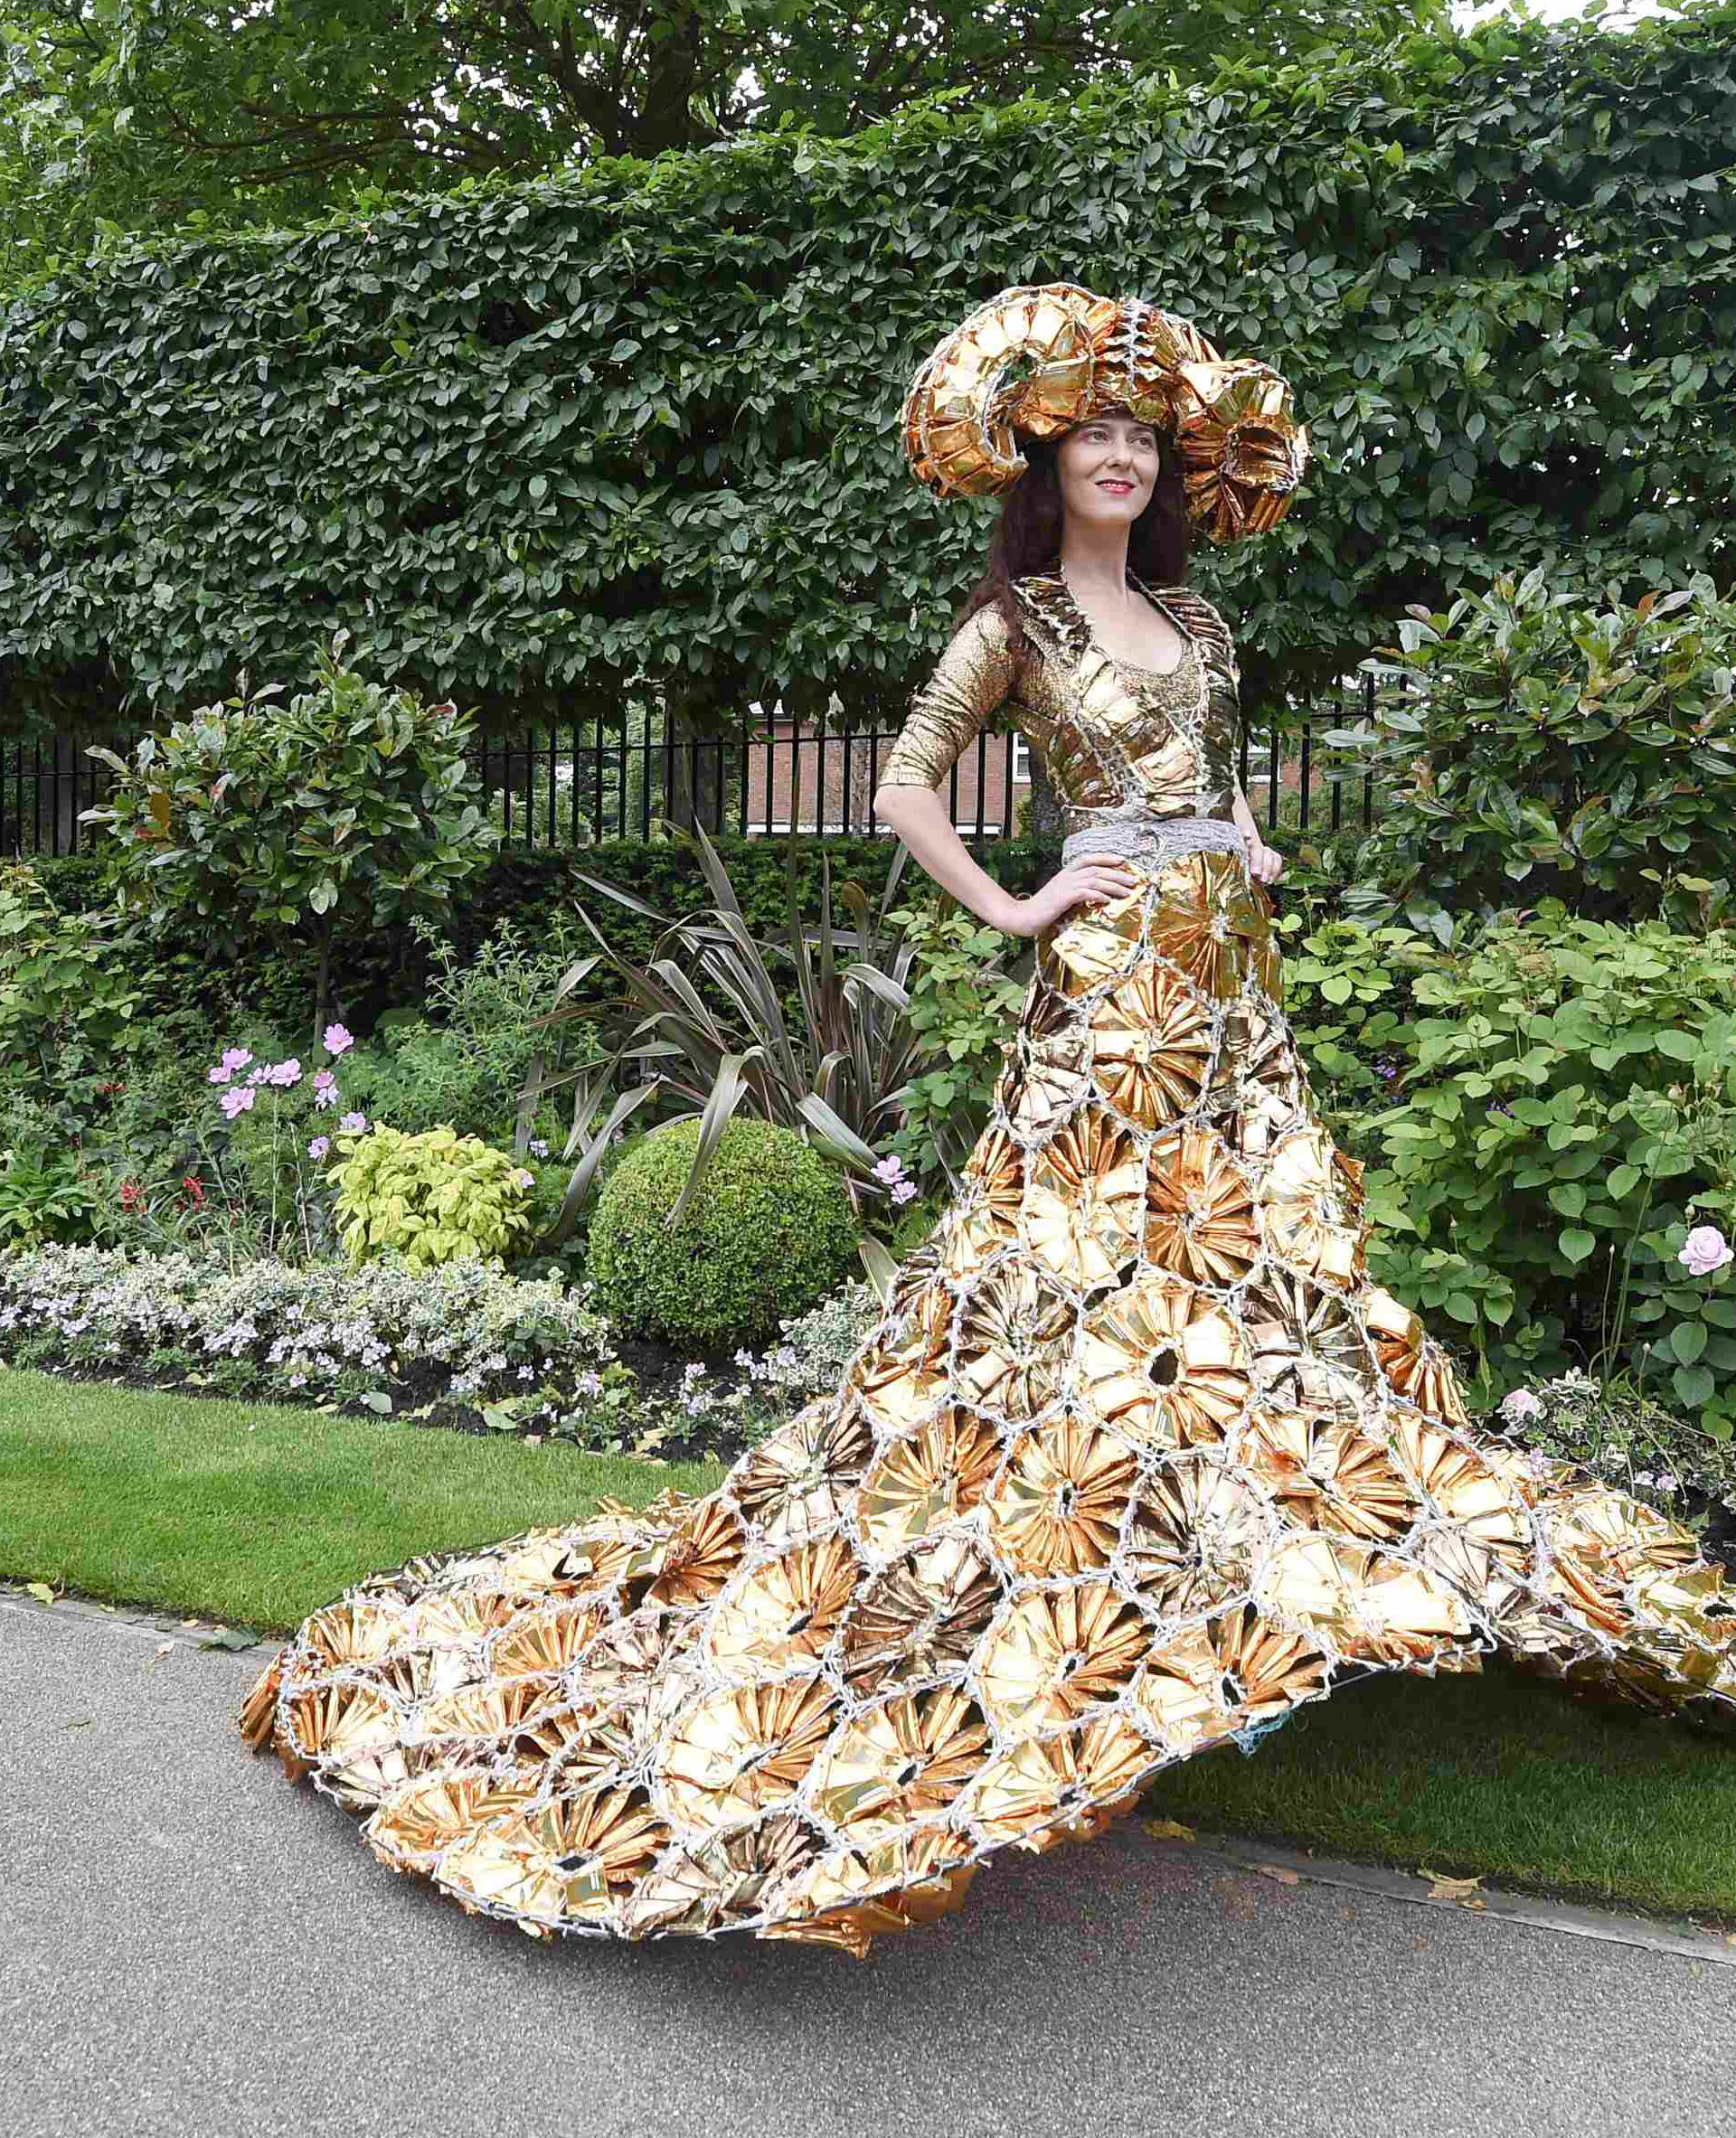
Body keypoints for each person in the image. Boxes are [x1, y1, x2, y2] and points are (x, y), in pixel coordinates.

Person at [240, 283, 1736, 1958]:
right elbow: (902, 780)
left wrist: (1237, 840)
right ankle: (1075, 1565)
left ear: (1167, 472)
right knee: (1082, 1269)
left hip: (1228, 998)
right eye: (1094, 434)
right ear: (1049, 460)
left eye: (1142, 441)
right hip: (1103, 1002)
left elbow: (1205, 776)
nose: (1119, 456)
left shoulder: (1208, 628)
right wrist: (1020, 907)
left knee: (1247, 1272)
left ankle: (1220, 1554)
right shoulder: (1018, 623)